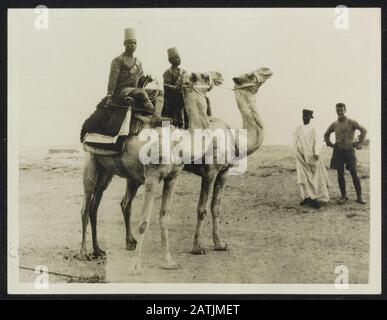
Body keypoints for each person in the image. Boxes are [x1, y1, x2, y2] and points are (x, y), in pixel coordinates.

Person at [105, 28, 160, 114]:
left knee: (159, 93)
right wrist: (109, 96)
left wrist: (146, 79)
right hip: (122, 91)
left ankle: (164, 122)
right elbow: (112, 80)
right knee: (141, 93)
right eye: (130, 42)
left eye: (135, 43)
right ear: (124, 44)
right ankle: (155, 116)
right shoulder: (118, 60)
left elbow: (140, 81)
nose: (133, 45)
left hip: (135, 90)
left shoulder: (138, 63)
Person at [324, 103, 367, 204]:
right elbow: (326, 134)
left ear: (345, 110)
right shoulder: (334, 124)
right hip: (338, 152)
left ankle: (359, 196)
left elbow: (364, 130)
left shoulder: (351, 122)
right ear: (336, 111)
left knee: (354, 174)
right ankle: (343, 196)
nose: (340, 112)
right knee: (340, 174)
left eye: (342, 110)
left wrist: (360, 142)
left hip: (349, 151)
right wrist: (329, 143)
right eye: (338, 110)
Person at [293, 109, 330, 209]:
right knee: (303, 177)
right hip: (301, 157)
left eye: (307, 116)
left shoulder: (314, 128)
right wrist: (299, 152)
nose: (305, 117)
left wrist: (316, 153)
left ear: (310, 117)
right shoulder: (298, 129)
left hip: (312, 157)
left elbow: (318, 141)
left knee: (315, 178)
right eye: (303, 115)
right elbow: (295, 141)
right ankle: (307, 197)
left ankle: (317, 198)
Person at [162, 47, 188, 128]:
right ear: (170, 60)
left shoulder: (184, 72)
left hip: (181, 96)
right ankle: (167, 128)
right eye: (176, 58)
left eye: (179, 57)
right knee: (168, 119)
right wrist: (175, 88)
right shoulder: (168, 72)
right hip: (171, 98)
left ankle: (187, 126)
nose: (178, 59)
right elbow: (166, 86)